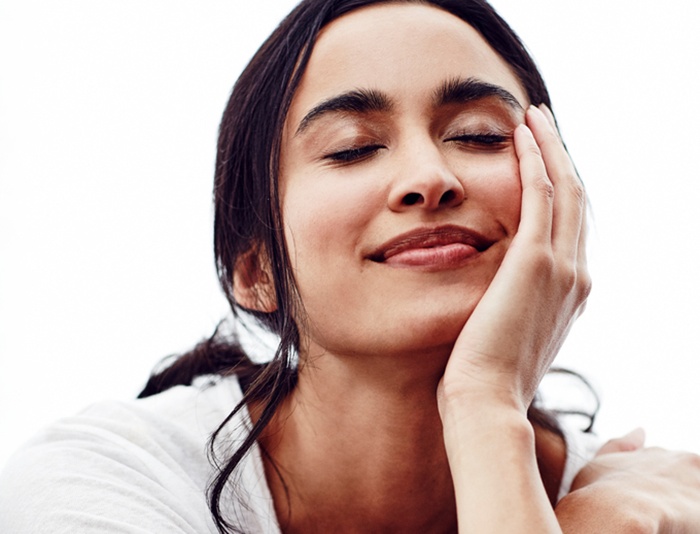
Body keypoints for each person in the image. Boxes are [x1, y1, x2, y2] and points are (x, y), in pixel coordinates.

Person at [2, 0, 700, 532]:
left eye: (479, 135)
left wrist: (488, 422)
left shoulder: (658, 504)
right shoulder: (104, 481)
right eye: (351, 149)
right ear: (255, 270)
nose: (429, 177)